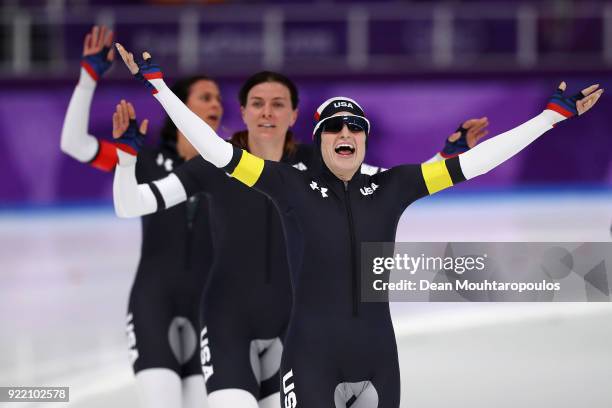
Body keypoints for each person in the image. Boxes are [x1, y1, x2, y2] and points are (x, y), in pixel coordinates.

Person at [113, 45, 494, 407]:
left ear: (295, 115)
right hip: (227, 318)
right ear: (242, 112)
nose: (267, 113)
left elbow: (386, 186)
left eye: (278, 104)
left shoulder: (324, 162)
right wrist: (130, 154)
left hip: (294, 328)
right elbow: (134, 205)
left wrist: (447, 156)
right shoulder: (213, 164)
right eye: (258, 104)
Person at [60, 26, 223, 408]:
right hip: (154, 302)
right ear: (180, 105)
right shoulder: (144, 159)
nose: (216, 103)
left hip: (214, 307)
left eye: (218, 97)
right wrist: (87, 80)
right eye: (205, 96)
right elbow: (74, 144)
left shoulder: (231, 164)